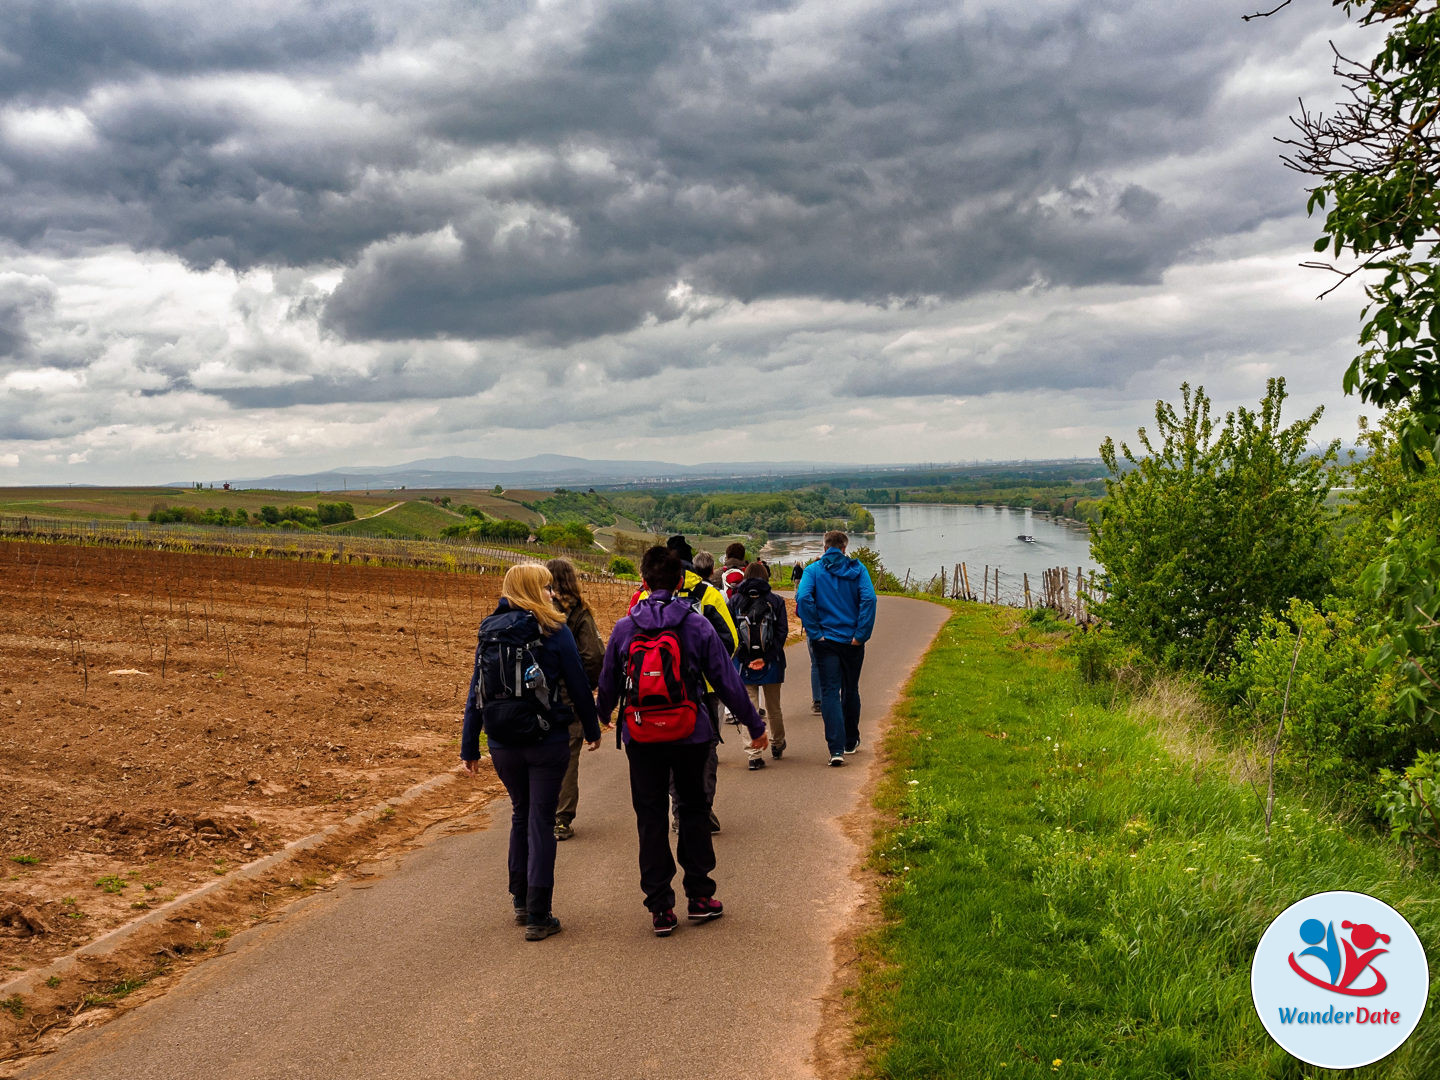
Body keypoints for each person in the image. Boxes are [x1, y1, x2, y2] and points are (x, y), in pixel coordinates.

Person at [596, 546, 767, 936]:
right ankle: (700, 896)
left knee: (650, 817)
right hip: (691, 732)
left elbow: (607, 683)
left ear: (642, 582)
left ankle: (660, 907)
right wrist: (753, 725)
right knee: (692, 810)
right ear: (679, 582)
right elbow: (727, 679)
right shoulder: (696, 625)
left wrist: (599, 721)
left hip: (640, 735)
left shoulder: (625, 628)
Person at [461, 563, 601, 940]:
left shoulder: (489, 632)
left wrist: (469, 746)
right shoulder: (555, 630)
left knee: (520, 814)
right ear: (537, 589)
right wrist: (593, 729)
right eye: (546, 587)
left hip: (502, 742)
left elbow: (477, 691)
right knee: (541, 820)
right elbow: (577, 682)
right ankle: (540, 914)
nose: (552, 592)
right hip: (547, 739)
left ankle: (520, 901)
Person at [796, 531, 876, 767]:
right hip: (852, 641)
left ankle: (836, 749)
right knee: (850, 689)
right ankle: (851, 741)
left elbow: (803, 598)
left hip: (825, 641)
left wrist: (814, 631)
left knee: (830, 691)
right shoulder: (858, 569)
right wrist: (861, 634)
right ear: (844, 548)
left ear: (824, 547)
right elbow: (869, 599)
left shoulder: (813, 570)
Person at [546, 558, 605, 842]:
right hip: (568, 698)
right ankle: (561, 819)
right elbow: (594, 655)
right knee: (567, 759)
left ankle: (537, 813)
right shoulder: (579, 611)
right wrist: (583, 684)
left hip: (534, 698)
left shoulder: (534, 608)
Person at [728, 560, 788, 767]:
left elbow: (730, 635)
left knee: (749, 708)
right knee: (774, 708)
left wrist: (745, 659)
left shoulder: (735, 601)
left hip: (743, 664)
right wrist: (767, 657)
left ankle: (754, 755)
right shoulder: (776, 601)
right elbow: (781, 634)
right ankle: (777, 744)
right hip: (772, 662)